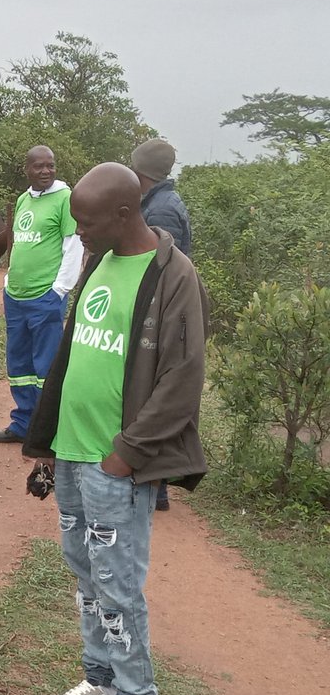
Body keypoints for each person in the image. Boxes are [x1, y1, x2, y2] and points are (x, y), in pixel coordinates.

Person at [23, 162, 209, 695]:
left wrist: (126, 454)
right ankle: (101, 683)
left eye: (86, 222)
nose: (78, 232)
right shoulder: (98, 262)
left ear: (124, 214)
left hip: (115, 462)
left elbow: (182, 379)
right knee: (85, 576)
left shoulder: (174, 276)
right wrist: (49, 443)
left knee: (117, 582)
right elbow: (74, 354)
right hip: (72, 452)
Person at [0, 145, 83, 444]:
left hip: (46, 296)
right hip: (16, 296)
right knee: (19, 364)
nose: (46, 171)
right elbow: (19, 242)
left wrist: (59, 290)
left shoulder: (65, 199)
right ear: (26, 169)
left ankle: (47, 430)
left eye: (50, 165)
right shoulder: (23, 200)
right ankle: (23, 424)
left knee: (46, 365)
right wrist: (8, 282)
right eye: (39, 166)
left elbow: (73, 246)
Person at [130, 138, 193, 511]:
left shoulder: (162, 210)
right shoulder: (161, 201)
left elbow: (161, 269)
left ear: (141, 171)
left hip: (162, 315)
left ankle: (158, 487)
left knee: (153, 394)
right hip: (164, 313)